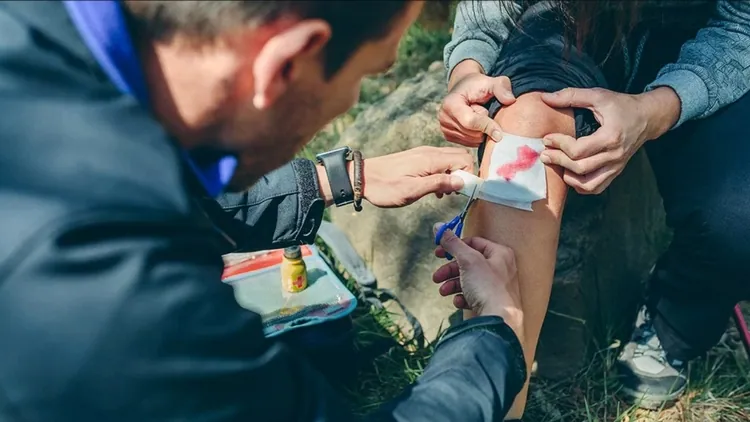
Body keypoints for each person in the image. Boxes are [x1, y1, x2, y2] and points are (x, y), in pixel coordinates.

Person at [0, 1, 531, 421]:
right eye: (367, 76)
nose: (353, 99)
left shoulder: (40, 36)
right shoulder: (114, 285)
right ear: (286, 62)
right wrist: (493, 332)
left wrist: (331, 181)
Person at [439, 0, 750, 416]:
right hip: (570, 21)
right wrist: (467, 71)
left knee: (738, 220)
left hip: (706, 30)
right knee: (525, 130)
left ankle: (674, 323)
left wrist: (656, 111)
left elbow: (742, 24)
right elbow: (488, 8)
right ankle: (482, 403)